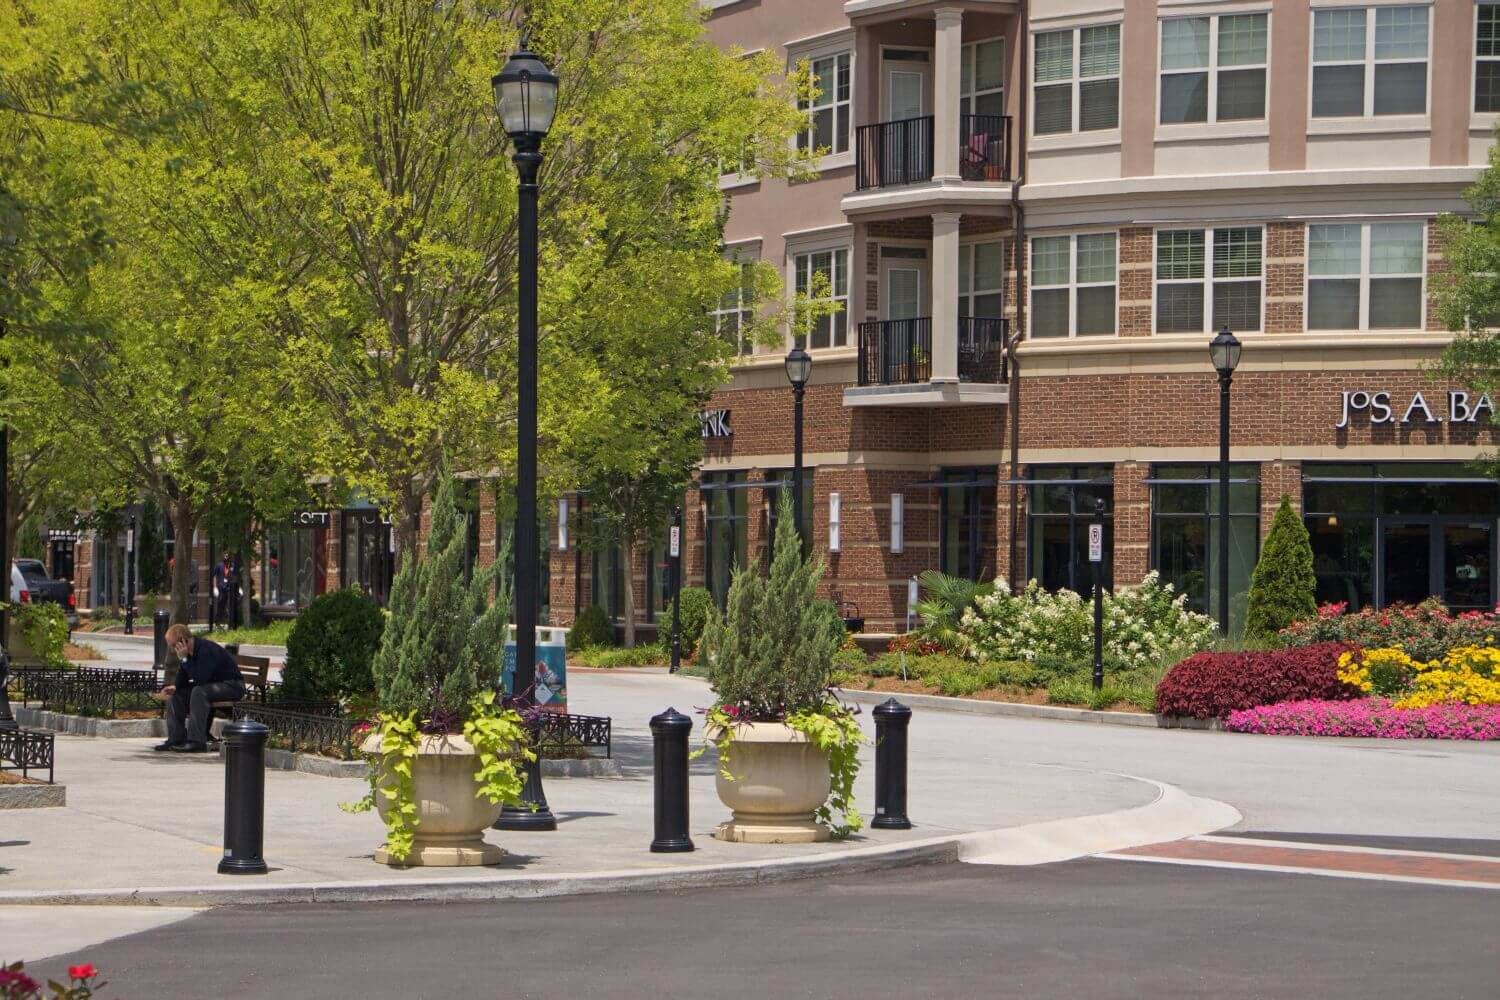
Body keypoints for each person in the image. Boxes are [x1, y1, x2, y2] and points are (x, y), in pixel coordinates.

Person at [152, 623, 245, 753]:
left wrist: (184, 659)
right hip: (211, 687)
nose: (172, 650)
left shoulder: (205, 650)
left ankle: (196, 741)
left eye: (173, 646)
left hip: (232, 686)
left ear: (183, 641)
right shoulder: (188, 653)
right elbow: (184, 677)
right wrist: (175, 687)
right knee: (176, 695)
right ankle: (176, 739)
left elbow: (200, 679)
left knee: (198, 691)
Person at [211, 552, 235, 631]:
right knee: (220, 605)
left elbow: (234, 576)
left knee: (228, 605)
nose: (226, 556)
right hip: (220, 588)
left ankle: (228, 623)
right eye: (224, 555)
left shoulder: (232, 565)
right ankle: (217, 622)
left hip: (229, 588)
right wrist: (214, 587)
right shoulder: (219, 565)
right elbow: (214, 576)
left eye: (227, 555)